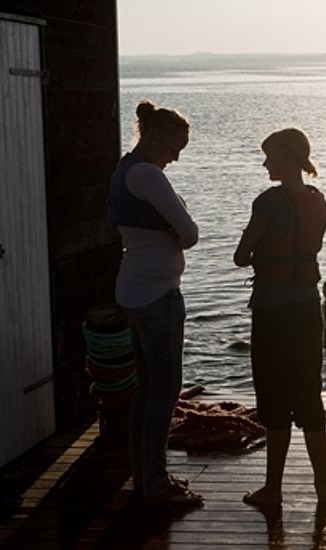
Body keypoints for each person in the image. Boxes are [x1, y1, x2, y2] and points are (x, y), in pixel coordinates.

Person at [234, 128, 326, 508]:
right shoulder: (319, 199)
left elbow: (241, 255)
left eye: (271, 156)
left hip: (272, 311)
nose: (265, 163)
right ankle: (322, 487)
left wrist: (260, 250)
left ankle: (273, 489)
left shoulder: (267, 201)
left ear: (290, 159)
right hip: (308, 308)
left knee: (274, 399)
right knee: (309, 394)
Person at [108, 99, 202, 507]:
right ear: (156, 137)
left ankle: (144, 476)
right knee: (164, 391)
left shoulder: (126, 168)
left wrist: (173, 223)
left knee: (146, 390)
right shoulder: (147, 174)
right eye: (174, 148)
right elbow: (191, 232)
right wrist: (177, 222)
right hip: (156, 296)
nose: (176, 158)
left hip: (136, 290)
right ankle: (156, 484)